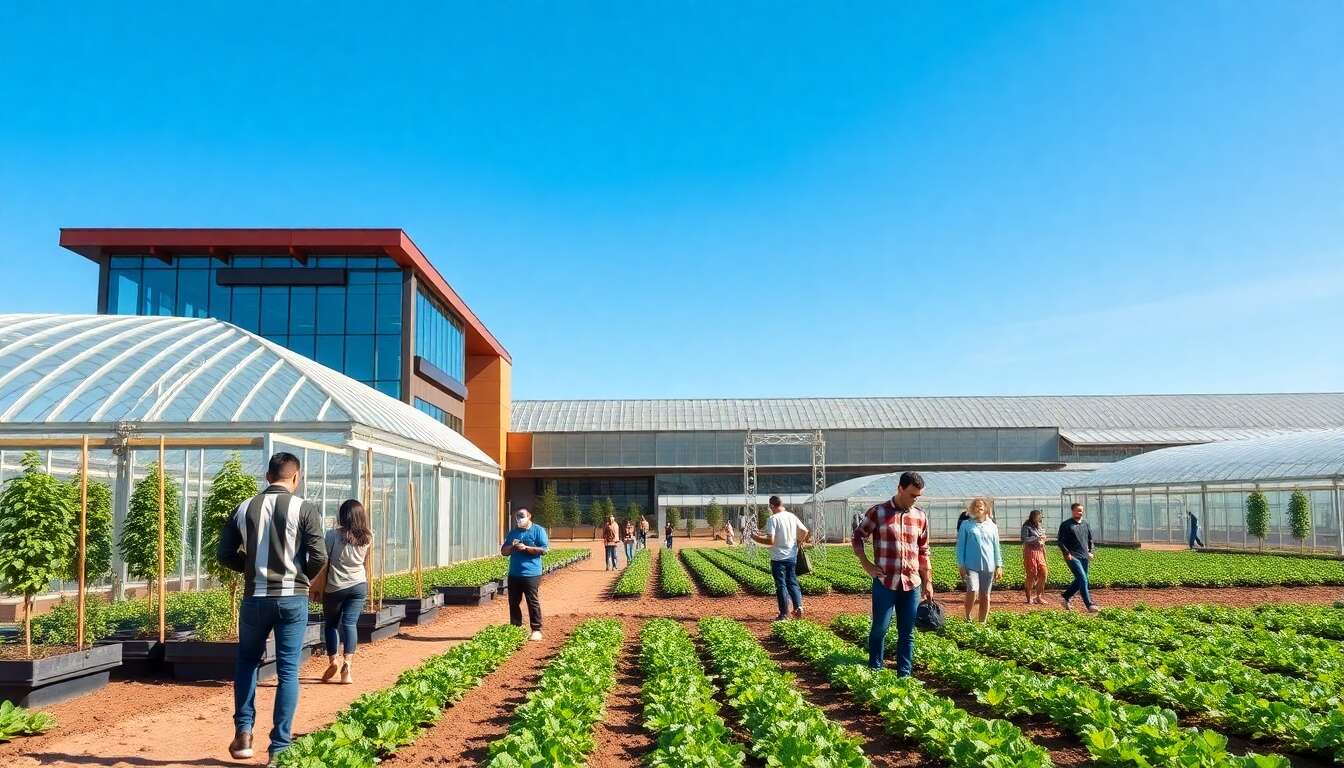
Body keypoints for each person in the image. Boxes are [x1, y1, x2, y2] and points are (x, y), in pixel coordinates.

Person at [217, 452, 327, 762]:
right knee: (288, 669)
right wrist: (300, 577)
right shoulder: (303, 509)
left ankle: (243, 734)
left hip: (255, 599)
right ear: (296, 477)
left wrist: (251, 568)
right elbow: (319, 556)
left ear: (267, 477)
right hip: (292, 599)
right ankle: (279, 747)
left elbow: (224, 554)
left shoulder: (243, 508)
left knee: (247, 662)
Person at [853, 471, 932, 675]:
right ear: (900, 489)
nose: (915, 500)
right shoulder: (878, 512)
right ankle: (875, 669)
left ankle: (904, 675)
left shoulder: (920, 516)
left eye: (918, 496)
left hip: (911, 582)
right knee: (880, 627)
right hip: (885, 582)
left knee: (907, 633)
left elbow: (924, 550)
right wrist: (867, 564)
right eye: (912, 495)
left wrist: (928, 581)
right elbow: (858, 537)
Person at [320, 499, 372, 685]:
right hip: (358, 585)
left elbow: (324, 560)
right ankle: (348, 665)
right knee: (350, 624)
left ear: (342, 516)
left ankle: (333, 660)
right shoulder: (368, 537)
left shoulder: (332, 535)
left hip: (335, 587)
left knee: (332, 625)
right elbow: (365, 561)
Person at [752, 495, 810, 621]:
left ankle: (784, 614)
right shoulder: (791, 516)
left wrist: (755, 538)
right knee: (792, 582)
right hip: (791, 556)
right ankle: (798, 606)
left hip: (778, 557)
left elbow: (770, 541)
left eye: (770, 507)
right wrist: (798, 543)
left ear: (772, 506)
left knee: (781, 585)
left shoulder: (773, 519)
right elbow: (805, 531)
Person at [501, 507, 549, 641]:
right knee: (514, 602)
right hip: (514, 573)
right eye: (518, 517)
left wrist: (527, 548)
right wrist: (512, 547)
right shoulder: (513, 533)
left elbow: (544, 550)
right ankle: (515, 628)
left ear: (529, 516)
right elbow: (504, 551)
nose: (519, 520)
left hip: (532, 573)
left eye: (522, 517)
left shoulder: (538, 530)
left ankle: (536, 629)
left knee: (532, 601)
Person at [955, 498, 1003, 622]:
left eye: (981, 507)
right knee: (972, 589)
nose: (978, 508)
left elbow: (996, 546)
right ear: (972, 509)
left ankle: (983, 622)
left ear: (986, 509)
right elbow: (960, 547)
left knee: (985, 595)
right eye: (976, 506)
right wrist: (961, 564)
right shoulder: (966, 525)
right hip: (971, 565)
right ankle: (968, 616)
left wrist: (999, 565)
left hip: (989, 565)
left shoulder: (992, 526)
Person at [1058, 502, 1098, 612]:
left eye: (1081, 510)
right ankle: (1089, 604)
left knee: (1080, 579)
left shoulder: (1085, 524)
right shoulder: (1066, 525)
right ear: (1073, 511)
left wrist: (1090, 551)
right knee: (1083, 579)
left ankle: (1065, 597)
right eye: (1078, 510)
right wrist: (1067, 553)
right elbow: (1060, 542)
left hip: (1084, 555)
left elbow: (1090, 540)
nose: (1080, 512)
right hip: (1072, 556)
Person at [1020, 509, 1048, 605]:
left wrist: (1043, 542)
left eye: (1041, 517)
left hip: (1039, 551)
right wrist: (1037, 539)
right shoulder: (1026, 527)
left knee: (1044, 574)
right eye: (1039, 516)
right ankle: (1028, 596)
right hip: (1030, 552)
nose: (1040, 518)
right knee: (1031, 575)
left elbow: (1042, 540)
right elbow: (1024, 539)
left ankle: (1038, 597)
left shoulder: (1040, 527)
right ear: (1033, 517)